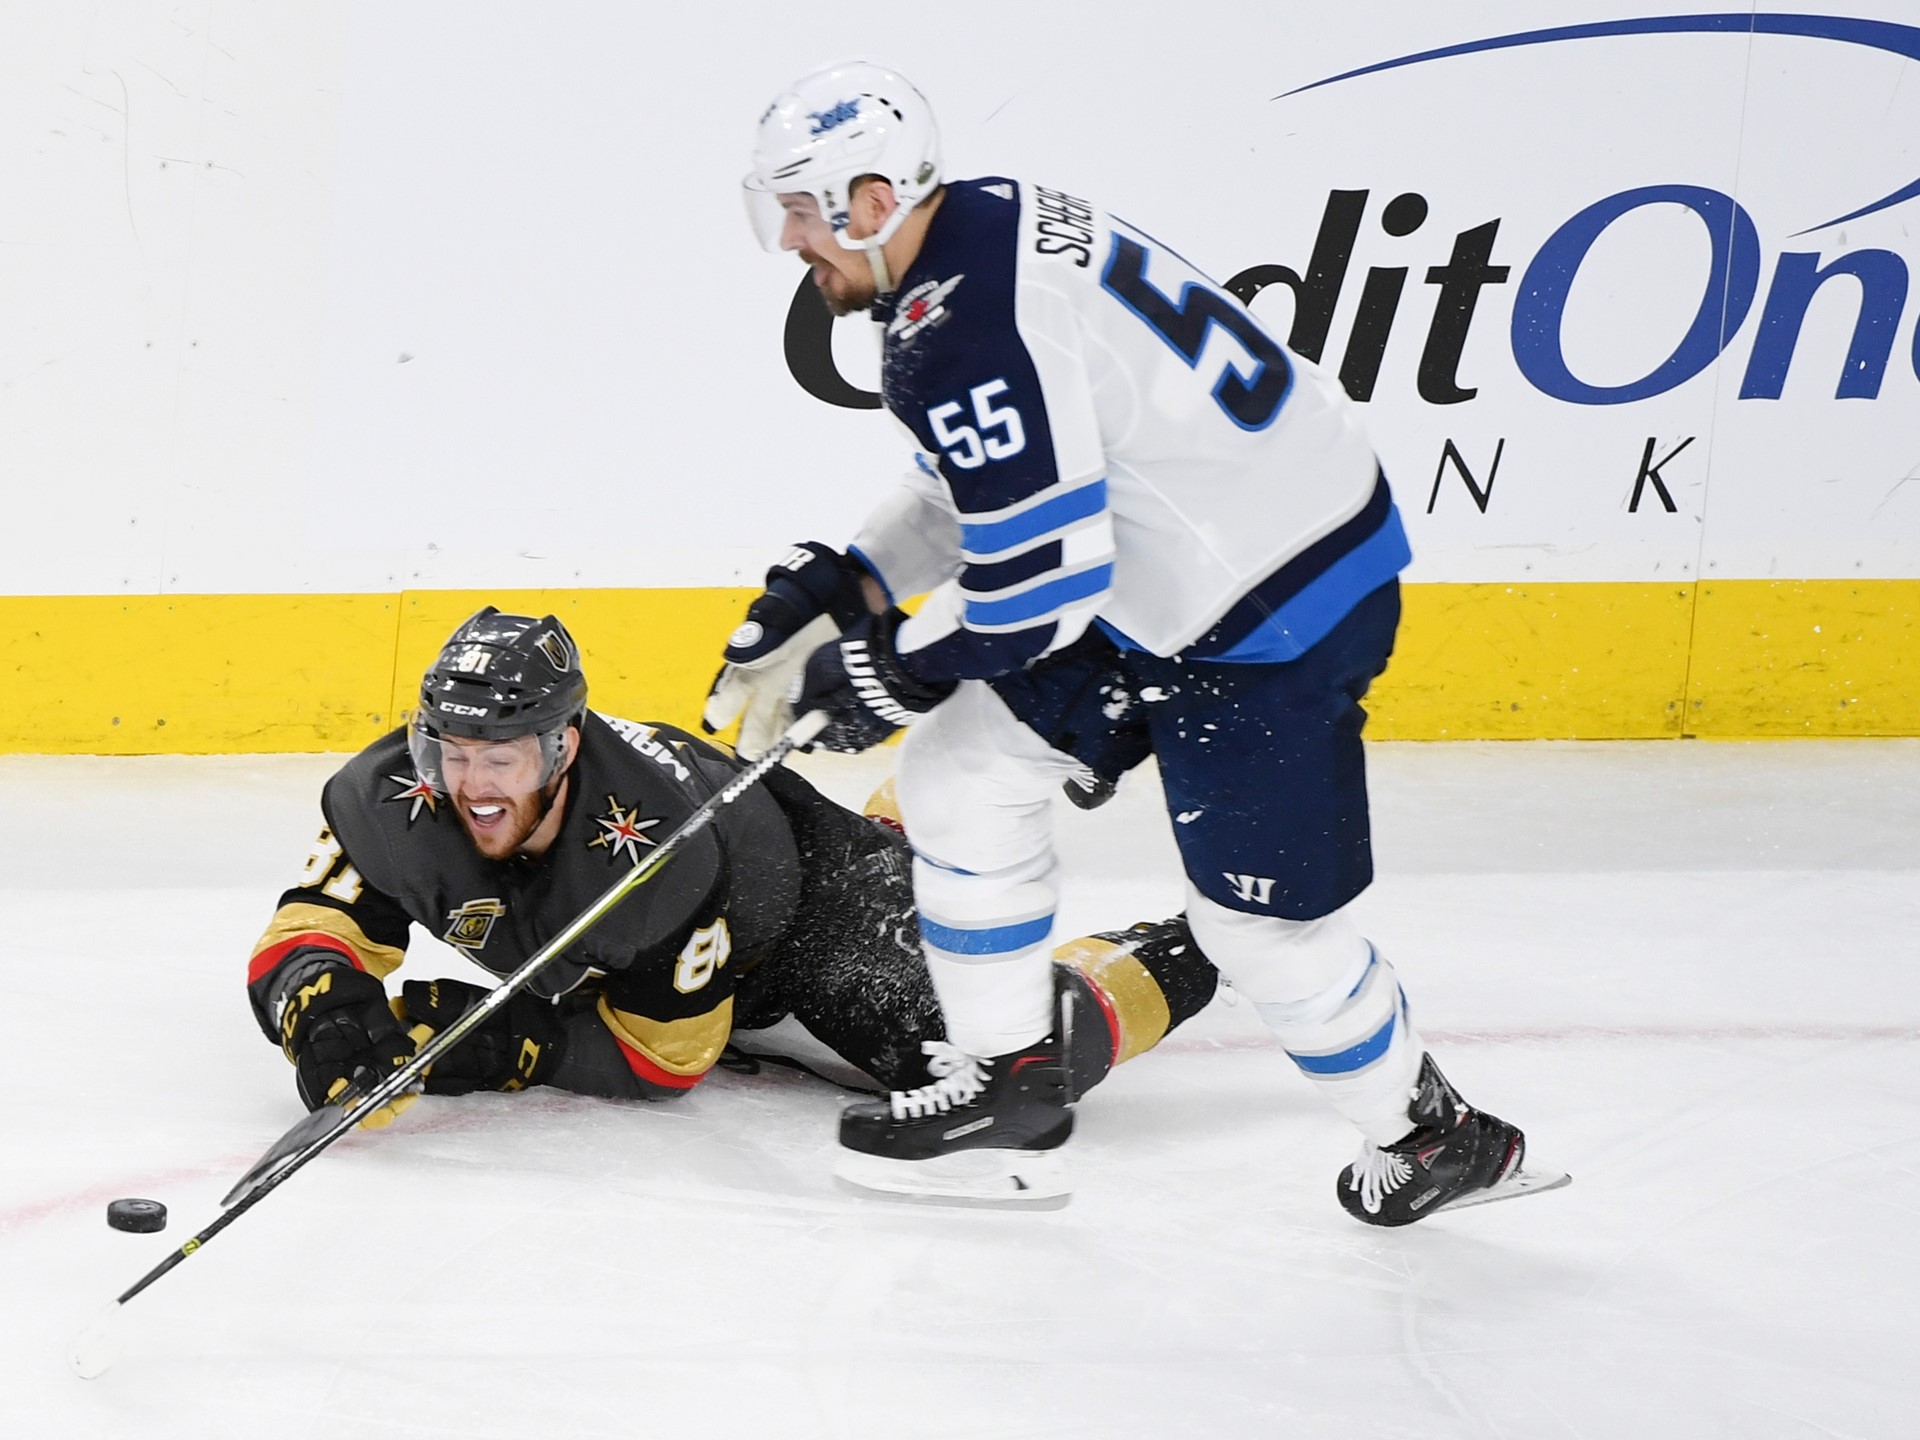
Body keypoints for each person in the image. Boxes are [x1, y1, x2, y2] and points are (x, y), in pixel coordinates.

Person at [711, 61, 1560, 1222]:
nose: (791, 244)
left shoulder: (961, 327)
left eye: (803, 214)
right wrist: (848, 580)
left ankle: (1436, 1139)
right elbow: (991, 493)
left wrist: (885, 665)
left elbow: (1041, 591)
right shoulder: (975, 232)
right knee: (959, 773)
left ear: (870, 200)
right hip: (1179, 565)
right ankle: (1011, 1101)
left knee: (1259, 930)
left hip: (1279, 609)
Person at [244, 608, 1217, 1200]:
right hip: (715, 869)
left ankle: (1207, 942)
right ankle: (914, 824)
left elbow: (668, 1056)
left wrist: (510, 1046)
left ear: (562, 748)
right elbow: (312, 925)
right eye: (452, 755)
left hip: (797, 912)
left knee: (1025, 1053)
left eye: (498, 757)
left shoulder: (655, 856)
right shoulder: (397, 796)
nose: (471, 786)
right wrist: (319, 1006)